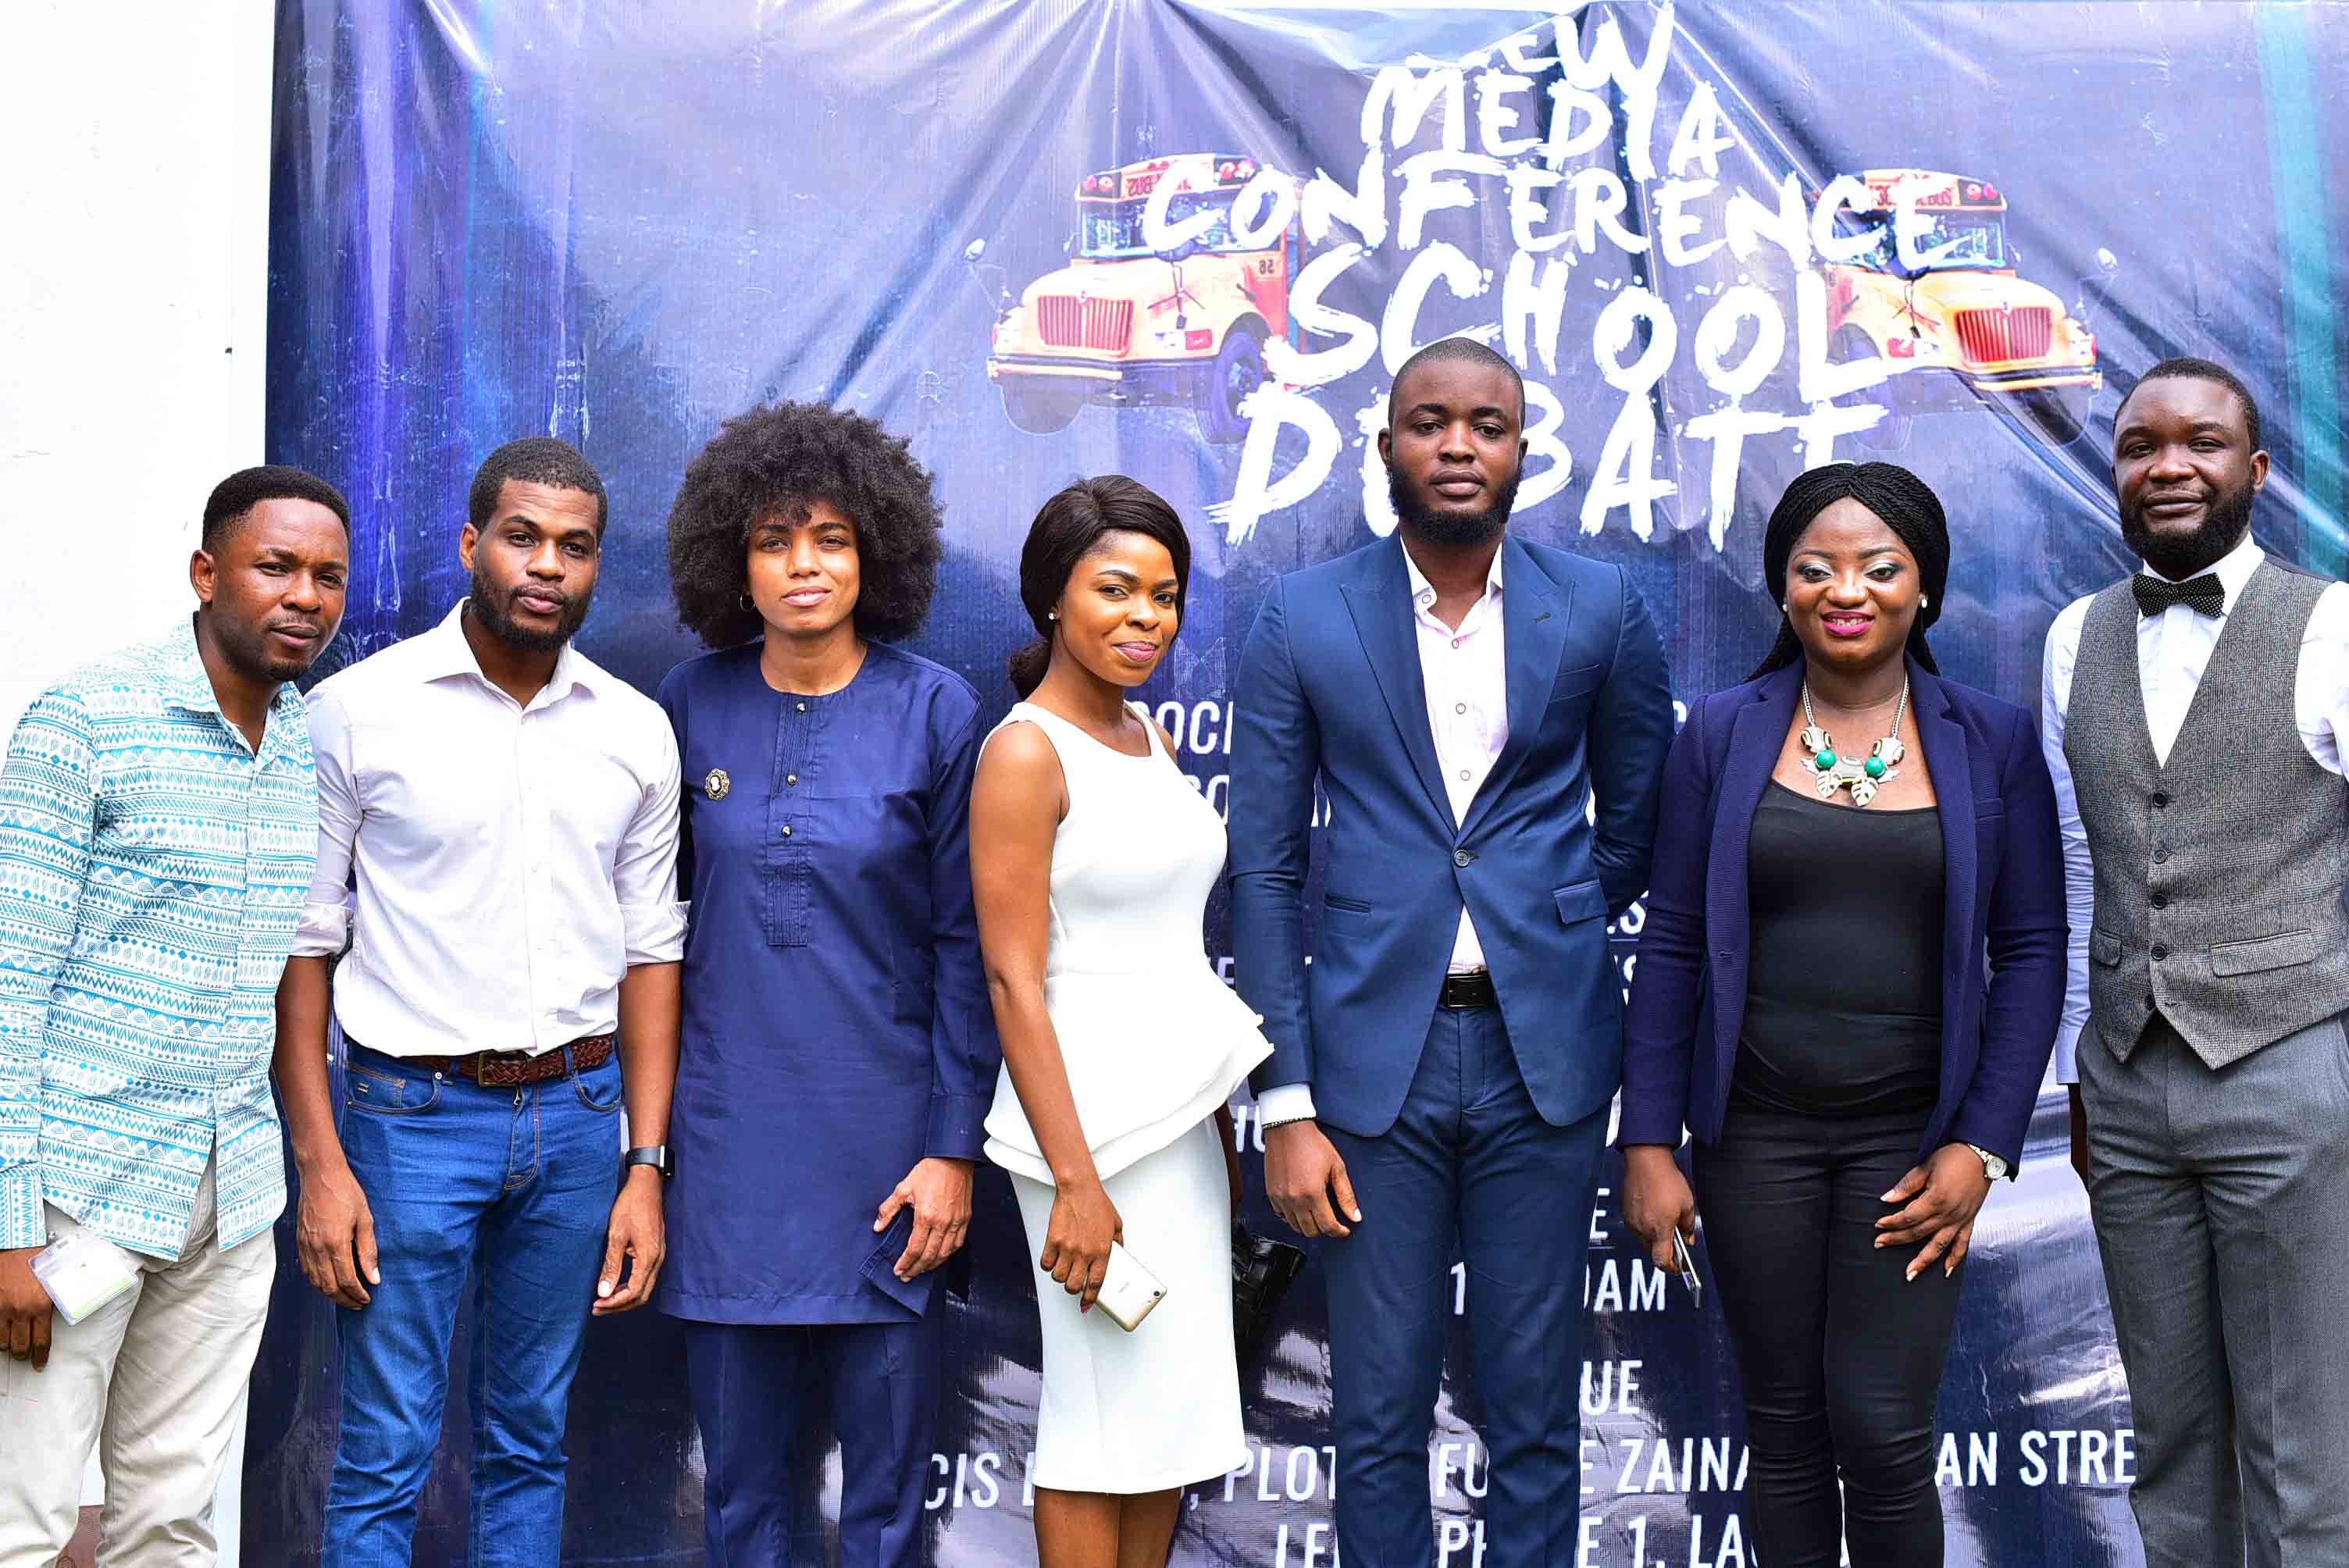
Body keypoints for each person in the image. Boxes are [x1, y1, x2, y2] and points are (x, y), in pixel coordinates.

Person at [1228, 338, 1674, 1566]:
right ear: (1387, 447)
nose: (1459, 445)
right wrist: (1287, 1101)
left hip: (1545, 1061)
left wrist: (1551, 919)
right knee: (1376, 1417)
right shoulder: (1303, 615)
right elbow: (1263, 873)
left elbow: (1638, 824)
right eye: (1430, 423)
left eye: (1488, 424)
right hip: (1375, 1065)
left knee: (1535, 1412)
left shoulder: (1600, 607)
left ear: (1525, 449)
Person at [1617, 461, 2066, 1565]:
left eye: (1880, 567)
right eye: (1816, 569)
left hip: (1912, 1145)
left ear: (1926, 588)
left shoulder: (1993, 739)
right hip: (1753, 1137)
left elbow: (2032, 951)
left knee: (1884, 1430)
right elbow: (1671, 944)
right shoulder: (1721, 733)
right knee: (1782, 1431)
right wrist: (1648, 1143)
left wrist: (1981, 1144)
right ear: (1783, 590)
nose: (1846, 590)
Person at [273, 437, 684, 1565]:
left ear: (596, 566)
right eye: (522, 537)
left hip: (580, 1121)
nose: (547, 565)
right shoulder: (354, 713)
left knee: (530, 1442)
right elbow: (303, 950)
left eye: (575, 547)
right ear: (470, 544)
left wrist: (644, 1165)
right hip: (408, 1121)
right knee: (385, 1450)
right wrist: (322, 1165)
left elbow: (652, 955)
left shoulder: (634, 728)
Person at [654, 401, 1000, 1565]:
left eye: (832, 538)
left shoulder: (936, 709)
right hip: (727, 1153)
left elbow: (965, 949)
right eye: (773, 540)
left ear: (875, 555)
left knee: (887, 1506)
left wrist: (951, 1150)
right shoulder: (689, 703)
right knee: (741, 1500)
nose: (804, 564)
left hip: (890, 1162)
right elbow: (650, 942)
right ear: (733, 562)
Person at [0, 466, 351, 1563]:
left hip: (227, 1200)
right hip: (76, 1199)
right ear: (207, 574)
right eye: (275, 567)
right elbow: (9, 982)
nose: (305, 596)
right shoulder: (87, 720)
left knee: (176, 1521)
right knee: (24, 1517)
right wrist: (9, 1229)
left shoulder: (299, 739)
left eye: (329, 576)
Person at [2043, 357, 2349, 1566]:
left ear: (2255, 471)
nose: (2169, 465)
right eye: (2141, 446)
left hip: (2287, 1068)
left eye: (2202, 443)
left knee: (2301, 1450)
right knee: (2171, 1444)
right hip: (2125, 1083)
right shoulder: (2075, 637)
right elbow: (2084, 857)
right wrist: (2080, 1060)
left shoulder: (2330, 625)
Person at [970, 476, 1267, 1568]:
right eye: (1115, 590)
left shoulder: (1146, 734)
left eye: (1165, 595)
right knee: (1097, 1427)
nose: (1146, 617)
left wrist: (1217, 1133)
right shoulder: (1024, 753)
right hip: (1085, 1137)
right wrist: (1077, 1183)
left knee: (1164, 1425)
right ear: (1054, 597)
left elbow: (1171, 952)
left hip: (1179, 1125)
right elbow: (1014, 982)